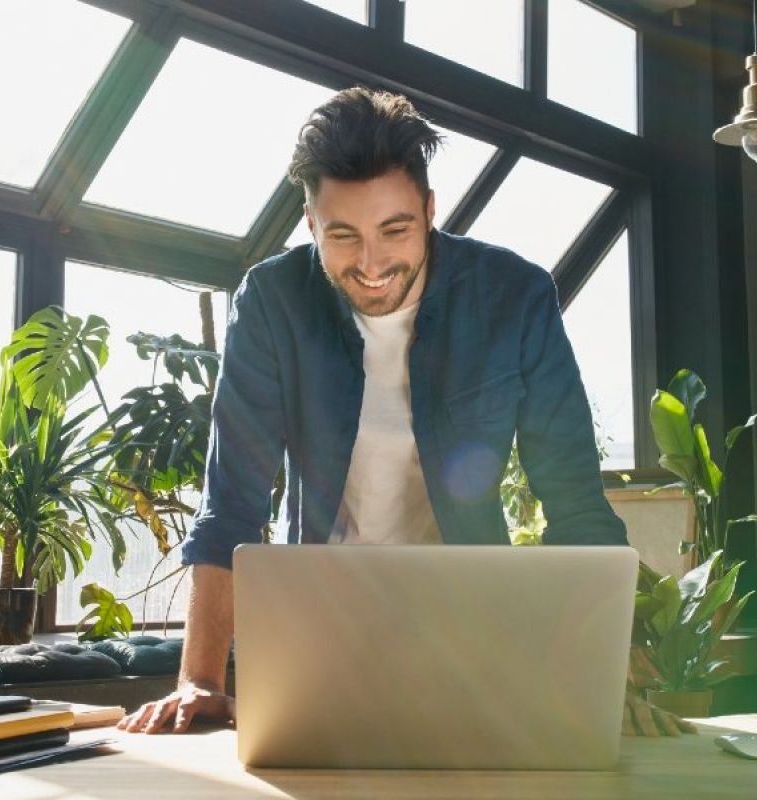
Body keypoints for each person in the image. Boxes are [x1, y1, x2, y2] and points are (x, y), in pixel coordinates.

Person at [119, 87, 691, 738]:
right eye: (343, 236)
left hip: (474, 643)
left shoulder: (514, 296)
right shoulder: (273, 301)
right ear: (311, 224)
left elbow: (577, 507)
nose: (370, 266)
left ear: (428, 209)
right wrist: (199, 680)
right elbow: (231, 507)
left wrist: (596, 676)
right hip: (318, 648)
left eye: (394, 230)